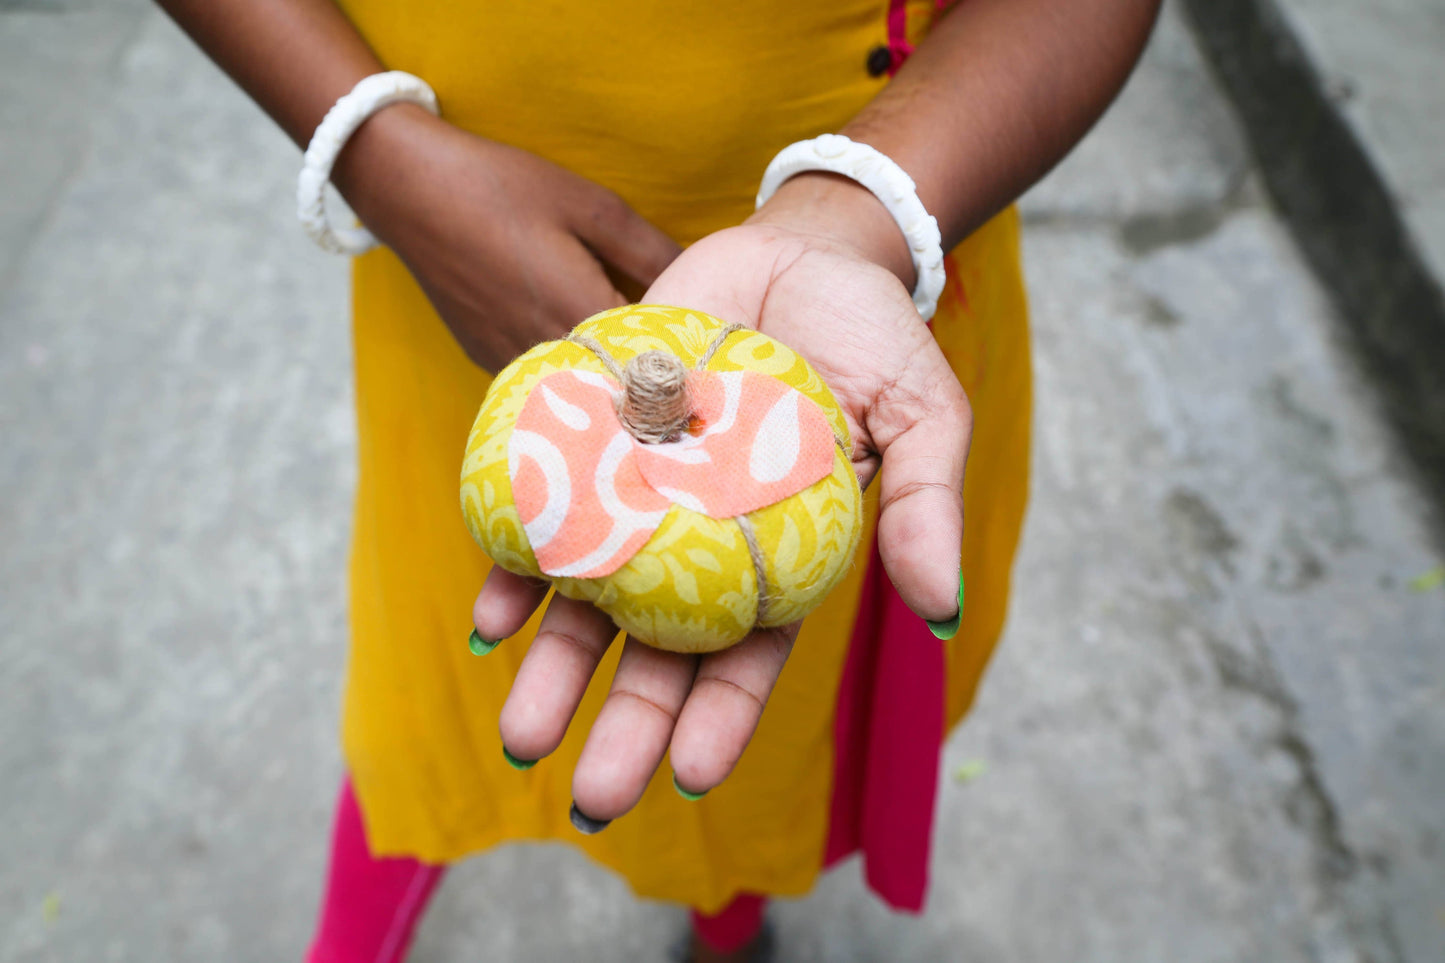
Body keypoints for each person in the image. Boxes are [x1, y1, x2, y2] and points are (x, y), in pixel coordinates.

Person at [157, 0, 1161, 959]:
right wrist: (376, 150)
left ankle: (726, 920)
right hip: (469, 257)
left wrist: (860, 212)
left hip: (849, 284)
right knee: (435, 680)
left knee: (753, 730)